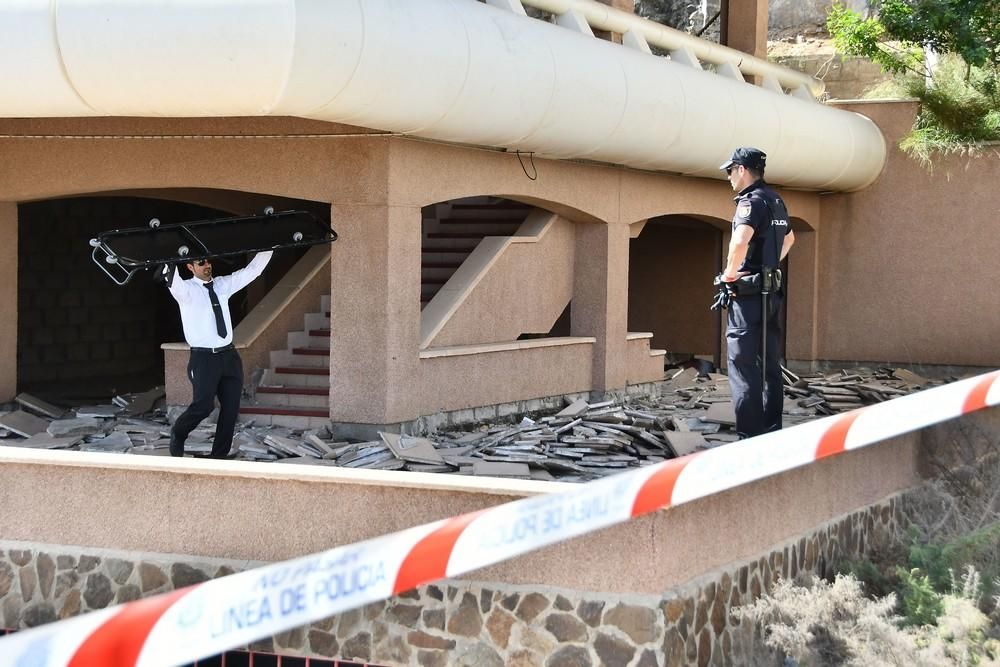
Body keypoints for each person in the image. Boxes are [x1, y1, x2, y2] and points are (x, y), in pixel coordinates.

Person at [161, 251, 273, 458]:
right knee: (203, 407)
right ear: (190, 267)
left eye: (209, 260)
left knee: (230, 410)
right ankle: (178, 432)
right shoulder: (186, 291)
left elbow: (253, 271)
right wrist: (166, 253)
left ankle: (218, 457)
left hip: (229, 356)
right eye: (201, 262)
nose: (207, 265)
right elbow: (170, 277)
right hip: (204, 359)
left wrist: (270, 246)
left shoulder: (222, 285)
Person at [719, 147, 795, 438]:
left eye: (730, 171)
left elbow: (739, 242)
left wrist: (729, 273)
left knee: (743, 366)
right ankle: (772, 430)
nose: (728, 177)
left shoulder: (750, 202)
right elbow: (790, 238)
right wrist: (770, 265)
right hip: (772, 294)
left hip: (749, 296)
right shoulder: (775, 200)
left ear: (742, 169)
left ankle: (749, 437)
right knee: (769, 365)